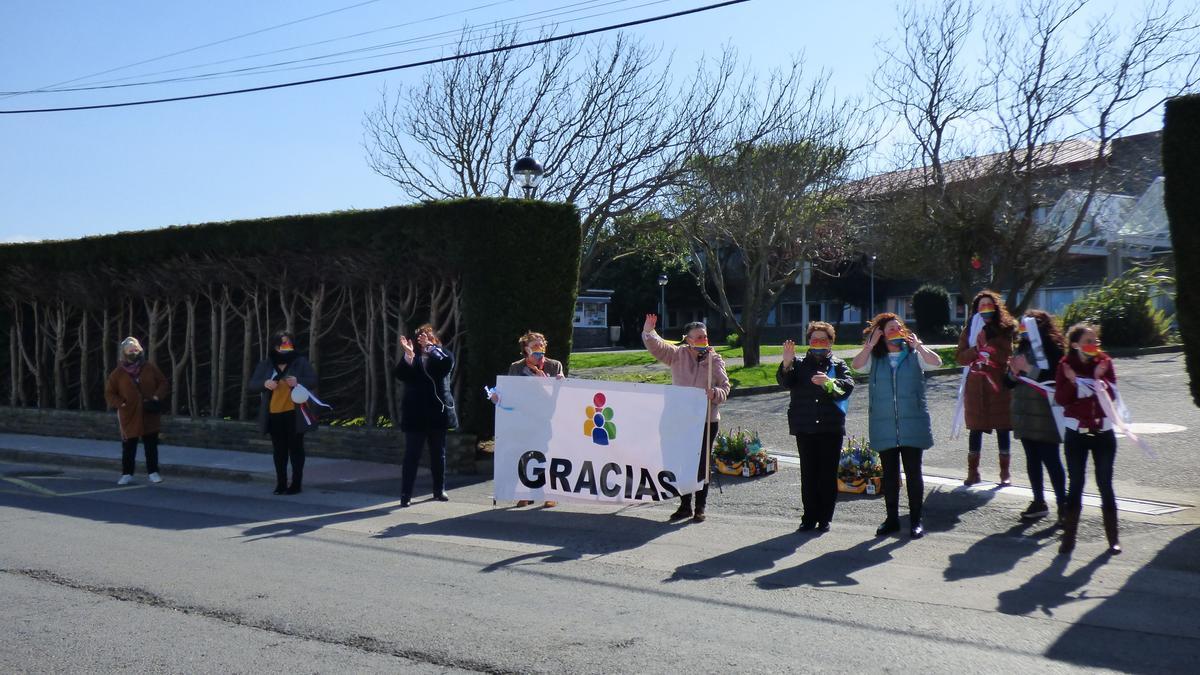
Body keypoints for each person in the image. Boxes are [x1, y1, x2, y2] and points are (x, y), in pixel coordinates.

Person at [852, 313, 942, 538]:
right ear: (881, 335)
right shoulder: (875, 357)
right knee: (890, 475)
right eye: (889, 329)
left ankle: (915, 520)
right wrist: (869, 345)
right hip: (884, 425)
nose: (895, 331)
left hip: (913, 424)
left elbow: (936, 363)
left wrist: (919, 346)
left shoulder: (914, 355)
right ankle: (891, 519)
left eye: (898, 327)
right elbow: (856, 366)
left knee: (914, 473)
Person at [642, 314, 730, 523]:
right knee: (682, 463)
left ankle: (700, 506)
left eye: (705, 337)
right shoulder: (677, 355)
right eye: (698, 337)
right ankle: (684, 505)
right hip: (681, 419)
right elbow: (657, 347)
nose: (703, 340)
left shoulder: (714, 359)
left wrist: (715, 393)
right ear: (687, 340)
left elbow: (726, 388)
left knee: (701, 465)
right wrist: (648, 331)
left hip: (707, 420)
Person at [777, 321, 855, 533]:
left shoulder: (838, 364)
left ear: (830, 343)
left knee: (828, 475)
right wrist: (786, 363)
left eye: (823, 339)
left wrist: (828, 383)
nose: (818, 343)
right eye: (814, 339)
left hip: (831, 428)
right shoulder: (799, 363)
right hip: (805, 427)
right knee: (809, 474)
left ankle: (825, 518)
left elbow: (847, 388)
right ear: (809, 342)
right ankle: (809, 517)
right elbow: (785, 382)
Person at [1055, 323, 1121, 555]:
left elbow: (1111, 395)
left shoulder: (1104, 363)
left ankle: (1113, 538)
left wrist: (1097, 379)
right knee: (1076, 484)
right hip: (1077, 434)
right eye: (1088, 341)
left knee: (1105, 483)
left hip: (1103, 433)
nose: (1094, 345)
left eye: (1096, 341)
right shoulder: (1065, 365)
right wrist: (1074, 383)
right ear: (1075, 344)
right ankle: (1069, 538)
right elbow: (1061, 399)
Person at [1005, 310, 1067, 524]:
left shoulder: (1053, 349)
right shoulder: (1021, 348)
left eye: (1028, 326)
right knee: (1032, 460)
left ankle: (1063, 504)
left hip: (1046, 414)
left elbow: (1053, 378)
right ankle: (1039, 501)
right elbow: (1008, 382)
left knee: (1051, 459)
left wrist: (1027, 368)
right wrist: (1012, 374)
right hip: (1025, 414)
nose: (1023, 331)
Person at [393, 323, 457, 508]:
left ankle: (439, 490)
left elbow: (447, 363)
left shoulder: (442, 355)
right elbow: (401, 374)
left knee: (439, 454)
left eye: (427, 338)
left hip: (438, 413)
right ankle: (406, 494)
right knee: (411, 455)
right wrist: (409, 354)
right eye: (421, 339)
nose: (423, 341)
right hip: (416, 414)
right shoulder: (413, 358)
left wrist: (431, 347)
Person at [956, 290, 1017, 486]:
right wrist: (976, 350)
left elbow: (1007, 355)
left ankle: (1004, 473)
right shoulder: (969, 330)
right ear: (976, 309)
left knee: (1003, 428)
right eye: (981, 305)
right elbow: (960, 357)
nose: (986, 309)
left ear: (996, 307)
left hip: (998, 385)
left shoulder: (1005, 329)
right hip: (975, 386)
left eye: (989, 305)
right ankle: (973, 472)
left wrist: (990, 348)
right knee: (975, 429)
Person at [250, 331, 319, 495]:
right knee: (279, 450)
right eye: (281, 344)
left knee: (296, 449)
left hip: (294, 413)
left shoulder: (300, 362)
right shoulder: (266, 364)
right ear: (275, 346)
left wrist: (298, 381)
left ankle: (296, 484)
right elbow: (252, 385)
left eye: (288, 344)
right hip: (274, 413)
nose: (285, 348)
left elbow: (313, 381)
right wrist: (265, 383)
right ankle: (281, 483)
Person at [504, 331, 564, 508]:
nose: (539, 349)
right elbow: (511, 394)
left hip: (546, 419)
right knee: (526, 455)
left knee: (545, 454)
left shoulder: (554, 366)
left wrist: (551, 384)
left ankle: (548, 493)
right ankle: (527, 492)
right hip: (524, 419)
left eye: (542, 345)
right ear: (526, 349)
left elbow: (560, 396)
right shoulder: (516, 367)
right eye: (535, 346)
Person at [104, 337, 169, 486]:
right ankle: (127, 474)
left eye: (136, 349)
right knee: (129, 446)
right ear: (124, 353)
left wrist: (156, 396)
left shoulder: (149, 367)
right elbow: (109, 393)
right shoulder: (118, 373)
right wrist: (122, 403)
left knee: (151, 445)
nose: (133, 352)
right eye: (130, 350)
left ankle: (153, 472)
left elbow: (163, 382)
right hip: (129, 414)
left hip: (149, 412)